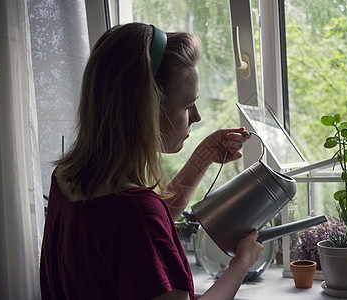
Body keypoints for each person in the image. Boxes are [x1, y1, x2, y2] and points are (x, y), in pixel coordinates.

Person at [40, 22, 264, 300]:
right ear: (146, 112)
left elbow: (136, 239)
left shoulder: (65, 178)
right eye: (187, 105)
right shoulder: (137, 213)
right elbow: (142, 225)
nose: (197, 117)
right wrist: (241, 263)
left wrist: (204, 156)